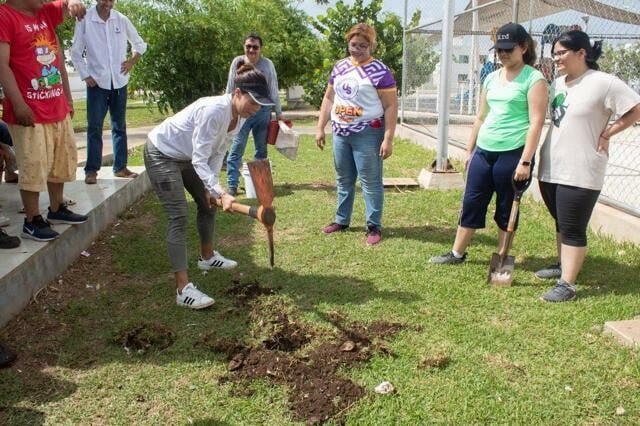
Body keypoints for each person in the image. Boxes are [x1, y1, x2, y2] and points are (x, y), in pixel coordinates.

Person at [145, 64, 273, 309]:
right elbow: (200, 158)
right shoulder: (214, 111)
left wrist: (212, 188)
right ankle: (183, 290)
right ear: (237, 93)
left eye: (260, 105)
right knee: (178, 216)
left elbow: (218, 152)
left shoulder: (238, 118)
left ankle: (207, 257)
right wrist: (222, 192)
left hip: (190, 156)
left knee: (207, 204)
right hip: (162, 153)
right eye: (253, 102)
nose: (255, 109)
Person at [430, 22, 547, 265]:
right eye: (499, 50)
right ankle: (457, 253)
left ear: (523, 47)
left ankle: (502, 259)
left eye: (508, 49)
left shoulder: (534, 79)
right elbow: (480, 117)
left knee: (506, 207)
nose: (503, 54)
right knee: (472, 201)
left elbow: (536, 123)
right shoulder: (491, 77)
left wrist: (525, 161)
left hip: (513, 153)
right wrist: (470, 150)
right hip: (484, 151)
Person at [535, 31, 640, 302]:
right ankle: (562, 266)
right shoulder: (558, 83)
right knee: (561, 221)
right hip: (551, 165)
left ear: (582, 53)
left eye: (562, 53)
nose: (556, 58)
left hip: (581, 168)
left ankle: (567, 285)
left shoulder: (604, 83)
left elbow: (635, 108)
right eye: (554, 53)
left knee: (572, 226)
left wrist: (608, 132)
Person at [0, 0, 88, 242]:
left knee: (62, 159)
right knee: (33, 164)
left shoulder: (44, 12)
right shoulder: (4, 16)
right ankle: (31, 220)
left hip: (56, 104)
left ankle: (57, 208)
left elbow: (68, 6)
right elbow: (2, 65)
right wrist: (18, 103)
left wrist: (68, 98)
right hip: (28, 109)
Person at [315, 23, 398, 246]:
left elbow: (390, 106)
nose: (357, 49)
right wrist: (320, 127)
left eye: (363, 45)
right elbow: (329, 98)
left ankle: (373, 225)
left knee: (370, 181)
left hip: (368, 133)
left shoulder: (380, 71)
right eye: (353, 45)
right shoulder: (340, 67)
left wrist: (388, 137)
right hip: (340, 133)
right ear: (348, 44)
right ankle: (342, 220)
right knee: (344, 179)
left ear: (371, 45)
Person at [70, 0, 147, 185]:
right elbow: (75, 52)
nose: (108, 3)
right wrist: (85, 75)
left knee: (119, 126)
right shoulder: (85, 19)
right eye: (104, 0)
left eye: (111, 0)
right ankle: (91, 170)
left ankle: (120, 167)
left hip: (119, 81)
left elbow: (140, 44)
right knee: (95, 127)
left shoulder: (121, 19)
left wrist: (131, 61)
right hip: (97, 83)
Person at [225, 33, 282, 196]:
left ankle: (260, 185)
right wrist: (228, 110)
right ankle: (232, 185)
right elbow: (230, 87)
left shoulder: (267, 64)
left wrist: (279, 114)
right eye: (248, 46)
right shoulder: (237, 62)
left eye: (255, 47)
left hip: (262, 111)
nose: (251, 49)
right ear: (244, 47)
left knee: (261, 150)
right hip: (242, 113)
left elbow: (273, 90)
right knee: (236, 148)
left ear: (260, 49)